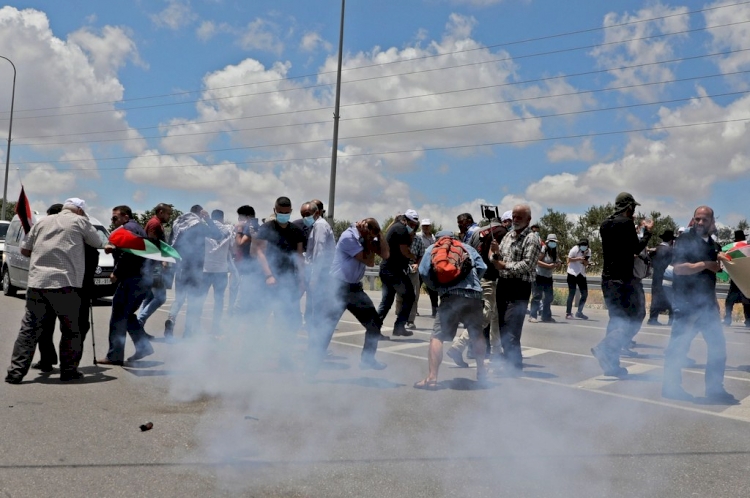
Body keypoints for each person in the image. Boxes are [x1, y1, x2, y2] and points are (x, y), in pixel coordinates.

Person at [5, 198, 104, 383]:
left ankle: (15, 373)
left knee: (28, 330)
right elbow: (97, 242)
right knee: (70, 330)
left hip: (37, 283)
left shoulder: (42, 222)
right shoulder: (80, 221)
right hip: (65, 284)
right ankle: (68, 371)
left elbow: (25, 250)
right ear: (80, 211)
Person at [662, 206, 737, 404]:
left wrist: (713, 300)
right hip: (686, 304)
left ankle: (714, 389)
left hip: (706, 306)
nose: (700, 223)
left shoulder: (711, 244)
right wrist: (705, 264)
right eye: (697, 219)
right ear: (693, 220)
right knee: (678, 347)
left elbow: (708, 278)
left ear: (712, 222)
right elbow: (678, 269)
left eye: (705, 220)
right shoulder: (686, 240)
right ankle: (670, 387)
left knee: (718, 347)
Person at [307, 218, 390, 374]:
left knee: (374, 323)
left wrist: (379, 234)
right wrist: (369, 239)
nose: (373, 237)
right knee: (326, 330)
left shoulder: (367, 236)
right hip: (337, 288)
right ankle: (311, 368)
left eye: (373, 234)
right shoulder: (348, 237)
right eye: (371, 233)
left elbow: (385, 254)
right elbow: (370, 261)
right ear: (363, 229)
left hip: (354, 289)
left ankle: (367, 359)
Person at [414, 230, 488, 389]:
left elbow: (423, 271)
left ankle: (432, 379)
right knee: (477, 334)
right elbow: (482, 267)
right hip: (474, 294)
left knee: (437, 336)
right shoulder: (467, 248)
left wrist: (437, 287)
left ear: (439, 240)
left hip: (451, 295)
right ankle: (482, 373)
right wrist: (473, 286)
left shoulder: (433, 248)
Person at [590, 192, 652, 377]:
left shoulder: (605, 224)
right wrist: (647, 233)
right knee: (635, 316)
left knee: (616, 319)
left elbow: (620, 248)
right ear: (629, 207)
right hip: (624, 280)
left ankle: (611, 364)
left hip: (608, 279)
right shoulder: (625, 223)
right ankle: (605, 348)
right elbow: (635, 248)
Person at [445, 215, 508, 367]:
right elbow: (496, 256)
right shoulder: (501, 232)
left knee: (493, 314)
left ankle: (496, 350)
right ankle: (458, 346)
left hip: (477, 277)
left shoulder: (478, 232)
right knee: (486, 315)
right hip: (490, 278)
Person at [252, 196, 306, 367]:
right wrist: (269, 275)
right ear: (275, 211)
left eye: (286, 212)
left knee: (291, 320)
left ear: (290, 211)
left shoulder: (296, 231)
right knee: (262, 317)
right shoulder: (267, 228)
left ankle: (285, 355)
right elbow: (259, 252)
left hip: (289, 281)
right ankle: (250, 354)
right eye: (280, 212)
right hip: (269, 281)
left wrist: (302, 280)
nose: (283, 215)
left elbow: (299, 257)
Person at [98, 205, 155, 366]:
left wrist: (116, 272)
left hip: (132, 278)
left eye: (115, 217)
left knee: (118, 317)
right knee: (127, 314)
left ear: (125, 216)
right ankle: (143, 346)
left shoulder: (128, 229)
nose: (112, 220)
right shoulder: (135, 228)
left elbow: (128, 254)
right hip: (142, 279)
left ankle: (114, 356)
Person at [488, 204, 541, 373]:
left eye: (519, 217)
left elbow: (528, 264)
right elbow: (496, 258)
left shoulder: (531, 238)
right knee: (502, 326)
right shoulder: (508, 236)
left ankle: (513, 365)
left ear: (528, 219)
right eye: (514, 216)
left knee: (512, 327)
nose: (515, 220)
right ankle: (512, 363)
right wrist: (494, 254)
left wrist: (504, 265)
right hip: (504, 284)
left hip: (519, 286)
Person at [164, 205, 224, 338]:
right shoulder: (198, 225)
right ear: (200, 213)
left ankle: (171, 320)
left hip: (180, 266)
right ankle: (187, 332)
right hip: (195, 268)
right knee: (193, 300)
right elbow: (217, 235)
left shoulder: (177, 224)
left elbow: (170, 245)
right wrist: (208, 219)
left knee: (179, 298)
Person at [377, 210, 420, 337]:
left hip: (389, 269)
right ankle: (399, 327)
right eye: (411, 223)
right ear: (405, 219)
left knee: (387, 301)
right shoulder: (401, 229)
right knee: (409, 296)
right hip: (393, 270)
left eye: (414, 224)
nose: (412, 226)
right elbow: (404, 250)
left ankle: (374, 330)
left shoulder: (396, 227)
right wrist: (413, 257)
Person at [136, 203, 173, 337]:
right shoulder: (154, 224)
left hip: (152, 266)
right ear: (161, 212)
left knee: (150, 297)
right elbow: (151, 246)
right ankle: (139, 322)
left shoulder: (156, 223)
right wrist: (160, 260)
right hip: (153, 267)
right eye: (168, 213)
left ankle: (139, 328)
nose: (169, 216)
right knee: (160, 297)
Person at [304, 201, 336, 338]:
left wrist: (314, 278)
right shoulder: (316, 225)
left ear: (316, 213)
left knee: (316, 312)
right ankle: (315, 345)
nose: (305, 217)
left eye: (307, 214)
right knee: (313, 311)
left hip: (320, 274)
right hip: (319, 273)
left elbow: (319, 252)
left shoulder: (320, 226)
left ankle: (317, 347)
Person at [201, 210, 234, 335]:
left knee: (200, 298)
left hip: (206, 269)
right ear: (222, 218)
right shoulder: (228, 230)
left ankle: (195, 326)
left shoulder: (205, 229)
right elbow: (233, 247)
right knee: (219, 300)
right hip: (221, 270)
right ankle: (215, 327)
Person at [395, 221, 425, 329]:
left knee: (413, 295)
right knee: (400, 294)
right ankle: (400, 317)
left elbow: (421, 254)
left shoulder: (418, 240)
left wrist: (417, 264)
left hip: (413, 270)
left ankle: (411, 320)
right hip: (401, 268)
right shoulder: (400, 238)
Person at [231, 205, 260, 314]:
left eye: (240, 217)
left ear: (246, 217)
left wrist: (238, 231)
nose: (239, 220)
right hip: (254, 268)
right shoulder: (257, 226)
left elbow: (241, 242)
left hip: (249, 269)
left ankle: (237, 326)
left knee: (239, 303)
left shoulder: (250, 226)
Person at [530, 233, 560, 323]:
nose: (553, 243)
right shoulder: (544, 249)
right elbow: (536, 261)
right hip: (539, 275)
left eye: (554, 242)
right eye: (551, 242)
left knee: (549, 297)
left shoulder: (555, 251)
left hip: (548, 276)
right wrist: (548, 265)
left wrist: (557, 264)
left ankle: (546, 316)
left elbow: (557, 261)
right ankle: (533, 316)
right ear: (547, 242)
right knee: (537, 296)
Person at [647, 230, 675, 326]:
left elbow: (649, 261)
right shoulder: (671, 251)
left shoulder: (656, 249)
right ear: (671, 240)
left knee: (655, 298)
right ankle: (671, 320)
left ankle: (653, 318)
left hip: (656, 276)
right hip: (668, 277)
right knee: (671, 298)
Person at [723, 230, 750, 327]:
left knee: (730, 301)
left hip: (736, 278)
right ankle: (748, 320)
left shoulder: (732, 248)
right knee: (746, 300)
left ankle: (727, 319)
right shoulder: (746, 247)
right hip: (745, 278)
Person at [416, 219, 438, 317]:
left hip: (430, 267)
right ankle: (413, 310)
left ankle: (435, 310)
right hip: (419, 265)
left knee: (433, 289)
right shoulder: (418, 236)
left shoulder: (433, 237)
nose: (426, 227)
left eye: (427, 226)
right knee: (416, 289)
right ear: (421, 226)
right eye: (424, 226)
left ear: (430, 226)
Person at [565, 238, 591, 320]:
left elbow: (586, 264)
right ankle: (568, 313)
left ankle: (579, 312)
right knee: (571, 293)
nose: (583, 247)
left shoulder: (588, 251)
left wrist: (584, 259)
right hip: (572, 273)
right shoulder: (575, 249)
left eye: (585, 245)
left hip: (581, 274)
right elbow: (568, 260)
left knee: (584, 294)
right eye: (582, 245)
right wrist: (578, 258)